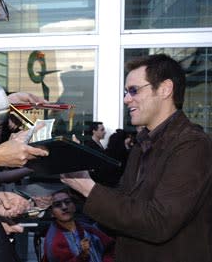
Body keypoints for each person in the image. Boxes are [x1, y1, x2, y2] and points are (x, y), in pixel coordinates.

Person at [60, 54, 212, 262]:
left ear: (165, 89)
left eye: (134, 90)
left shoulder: (192, 145)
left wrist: (87, 187)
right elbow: (124, 210)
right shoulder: (144, 143)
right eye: (126, 92)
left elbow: (158, 223)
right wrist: (80, 179)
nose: (126, 99)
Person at [42, 188, 114, 262]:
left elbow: (110, 246)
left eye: (67, 202)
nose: (64, 207)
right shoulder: (54, 241)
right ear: (51, 213)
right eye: (57, 205)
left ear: (74, 206)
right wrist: (83, 255)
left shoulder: (88, 229)